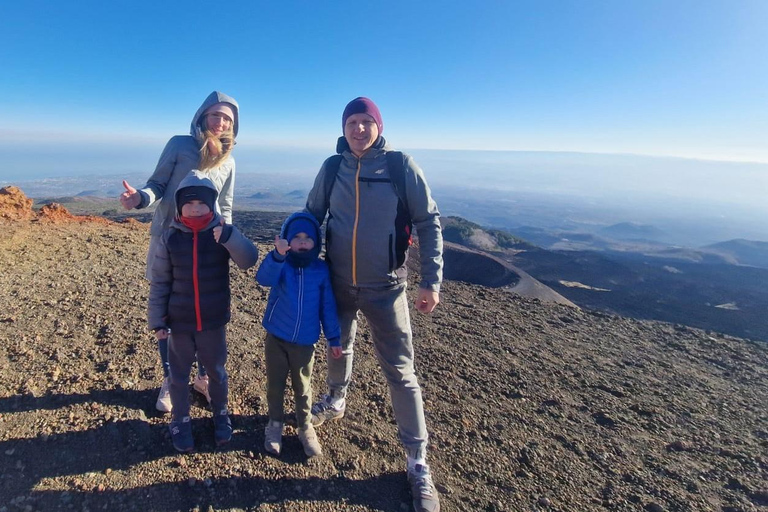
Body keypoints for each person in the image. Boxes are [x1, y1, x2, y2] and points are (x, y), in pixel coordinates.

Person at [305, 97, 443, 512]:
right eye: (353, 122)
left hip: (388, 287)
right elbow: (312, 214)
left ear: (378, 126)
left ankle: (418, 462)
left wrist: (431, 281)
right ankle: (335, 399)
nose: (359, 129)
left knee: (401, 372)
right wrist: (291, 250)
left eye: (367, 122)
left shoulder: (401, 166)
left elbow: (429, 221)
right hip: (339, 282)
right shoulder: (333, 168)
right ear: (343, 127)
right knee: (337, 346)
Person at [119, 91, 239, 412]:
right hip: (169, 240)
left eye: (227, 118)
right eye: (215, 115)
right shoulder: (179, 144)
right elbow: (157, 185)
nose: (221, 121)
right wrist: (139, 199)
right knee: (169, 314)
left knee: (200, 313)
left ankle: (202, 379)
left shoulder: (229, 161)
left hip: (205, 249)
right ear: (202, 116)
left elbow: (225, 205)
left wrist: (227, 239)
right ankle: (172, 382)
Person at [148, 171, 258, 452]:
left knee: (216, 372)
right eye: (189, 204)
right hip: (179, 322)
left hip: (212, 322)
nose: (196, 209)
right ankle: (180, 419)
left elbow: (248, 259)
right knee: (178, 375)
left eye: (202, 204)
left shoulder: (221, 232)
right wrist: (158, 319)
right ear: (179, 205)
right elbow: (160, 281)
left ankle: (221, 413)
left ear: (213, 205)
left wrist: (230, 236)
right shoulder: (170, 237)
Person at [255, 212, 343, 457]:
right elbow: (263, 278)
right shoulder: (282, 265)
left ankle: (305, 427)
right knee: (275, 385)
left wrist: (334, 338)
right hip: (276, 337)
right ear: (287, 241)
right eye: (297, 237)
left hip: (305, 342)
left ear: (316, 241)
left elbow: (327, 306)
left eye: (308, 237)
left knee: (303, 388)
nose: (303, 241)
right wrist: (277, 255)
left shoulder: (321, 270)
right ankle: (275, 425)